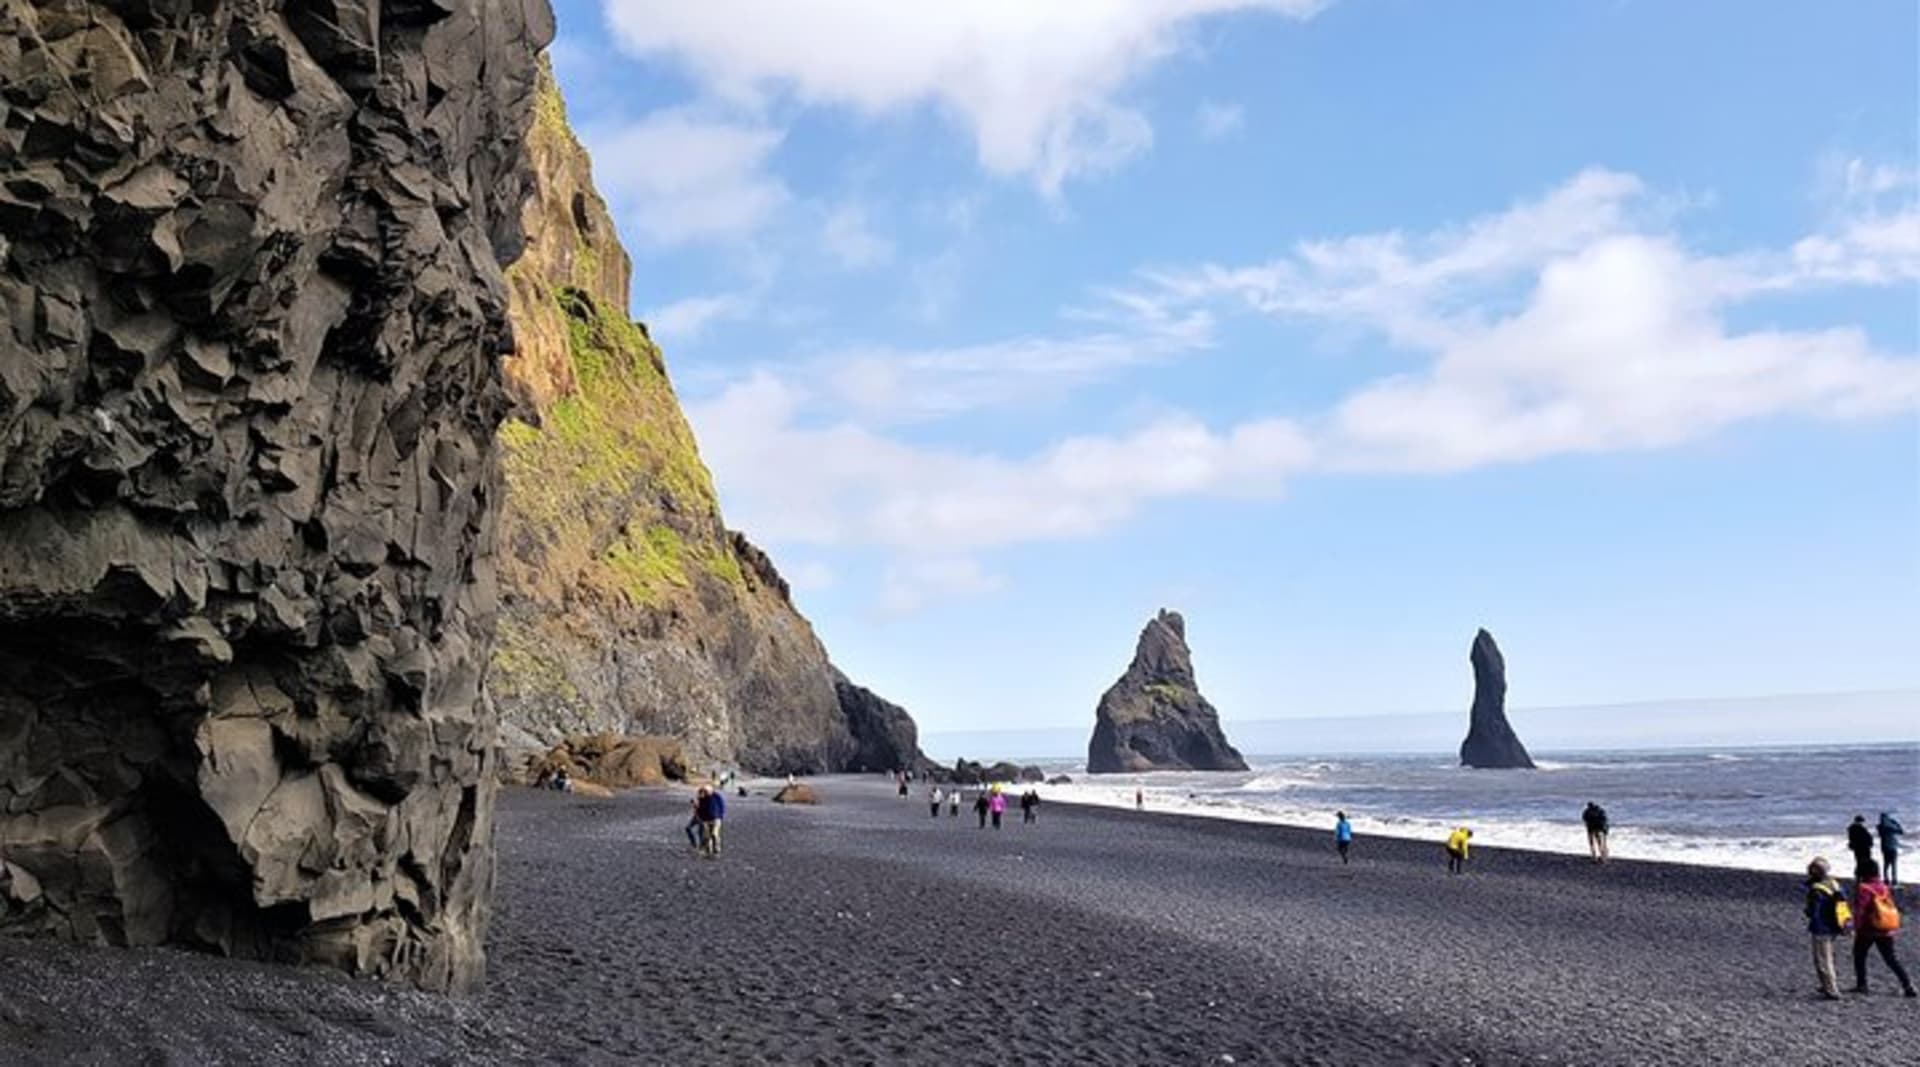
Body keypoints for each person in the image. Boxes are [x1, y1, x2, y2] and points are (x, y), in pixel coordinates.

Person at [1849, 858, 1915, 997]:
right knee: (1891, 958)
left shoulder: (1864, 888)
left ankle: (1862, 984)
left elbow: (1860, 910)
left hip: (1868, 929)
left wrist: (1855, 927)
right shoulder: (1883, 886)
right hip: (1885, 928)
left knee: (1859, 955)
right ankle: (1907, 984)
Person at [1803, 857, 1850, 1000]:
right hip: (1835, 924)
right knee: (1828, 956)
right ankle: (1827, 985)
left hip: (1822, 927)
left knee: (1822, 959)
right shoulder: (1834, 883)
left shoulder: (1817, 890)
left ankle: (1831, 989)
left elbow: (1813, 911)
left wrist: (1809, 912)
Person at [1878, 812, 1905, 887]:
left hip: (1884, 847)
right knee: (1893, 864)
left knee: (1886, 864)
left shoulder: (1880, 827)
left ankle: (1886, 879)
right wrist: (1896, 823)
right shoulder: (1890, 827)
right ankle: (1894, 881)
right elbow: (1901, 831)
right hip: (1892, 847)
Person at [700, 785, 726, 858]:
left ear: (711, 791)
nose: (706, 792)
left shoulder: (717, 797)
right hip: (706, 820)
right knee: (707, 836)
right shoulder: (703, 798)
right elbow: (700, 809)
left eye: (707, 791)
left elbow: (722, 806)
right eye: (705, 791)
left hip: (716, 819)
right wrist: (701, 818)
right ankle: (708, 851)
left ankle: (716, 850)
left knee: (714, 834)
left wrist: (720, 816)